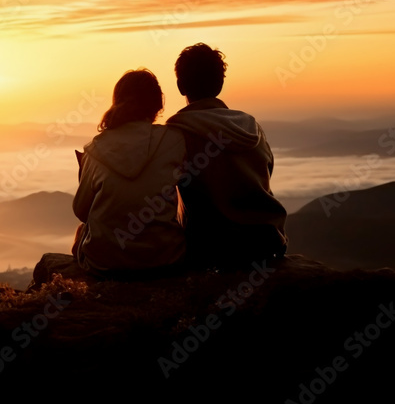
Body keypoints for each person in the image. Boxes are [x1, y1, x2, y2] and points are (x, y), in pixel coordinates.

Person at [166, 43, 287, 268]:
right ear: (220, 84)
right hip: (267, 243)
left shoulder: (176, 134)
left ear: (180, 85)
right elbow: (267, 172)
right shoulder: (252, 127)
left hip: (212, 251)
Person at [69, 69, 187, 274]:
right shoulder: (173, 139)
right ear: (157, 105)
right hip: (164, 258)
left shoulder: (96, 149)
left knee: (81, 232)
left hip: (105, 263)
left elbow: (81, 211)